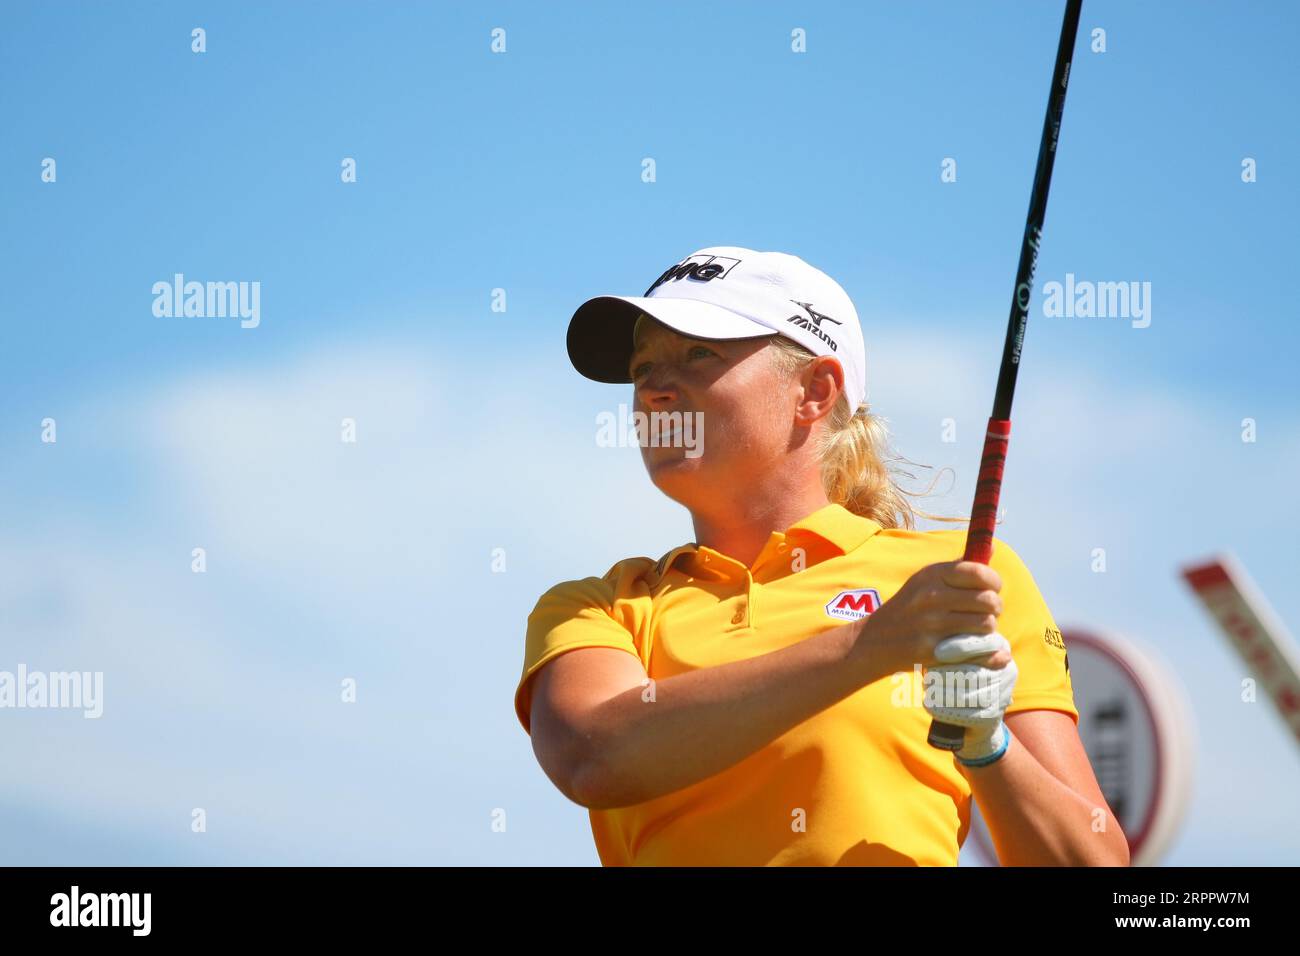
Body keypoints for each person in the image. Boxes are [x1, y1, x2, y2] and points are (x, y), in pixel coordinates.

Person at [512, 246, 1128, 866]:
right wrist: (872, 645)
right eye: (644, 367)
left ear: (814, 390)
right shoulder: (601, 607)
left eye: (699, 354)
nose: (655, 392)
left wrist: (987, 744)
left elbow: (1093, 862)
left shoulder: (957, 583)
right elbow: (595, 756)